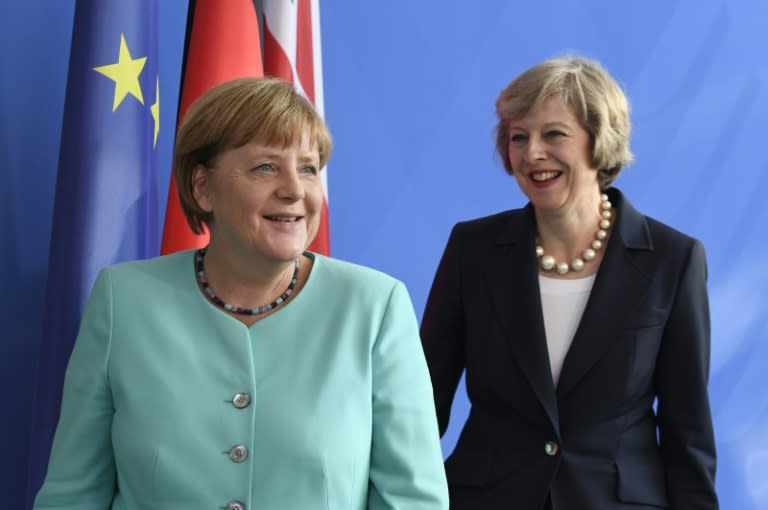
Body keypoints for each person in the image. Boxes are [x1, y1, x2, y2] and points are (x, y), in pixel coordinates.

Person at [34, 77, 449, 510]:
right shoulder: (123, 300)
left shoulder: (374, 307)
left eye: (308, 168)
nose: (294, 190)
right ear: (203, 188)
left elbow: (413, 502)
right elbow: (73, 495)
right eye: (265, 167)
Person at [421, 56, 718, 509]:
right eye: (518, 137)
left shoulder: (673, 260)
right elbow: (422, 406)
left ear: (600, 141)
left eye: (553, 134)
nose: (532, 153)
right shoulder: (473, 249)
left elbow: (688, 434)